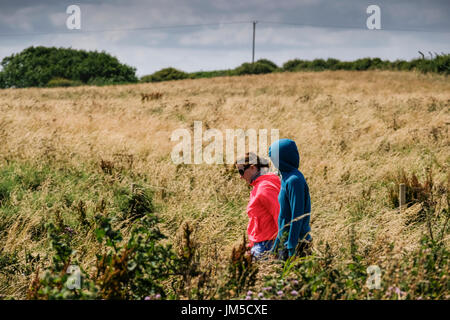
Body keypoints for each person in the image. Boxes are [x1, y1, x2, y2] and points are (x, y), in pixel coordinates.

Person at [268, 139, 312, 260]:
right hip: (285, 243)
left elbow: (297, 216)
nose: (272, 163)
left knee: (294, 279)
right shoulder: (285, 178)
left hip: (296, 244)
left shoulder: (294, 180)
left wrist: (292, 248)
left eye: (273, 159)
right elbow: (283, 217)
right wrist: (276, 245)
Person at [235, 152, 281, 260]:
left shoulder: (264, 188)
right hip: (262, 243)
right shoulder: (261, 185)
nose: (240, 177)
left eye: (241, 171)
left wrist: (281, 246)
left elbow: (279, 214)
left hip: (267, 245)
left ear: (252, 168)